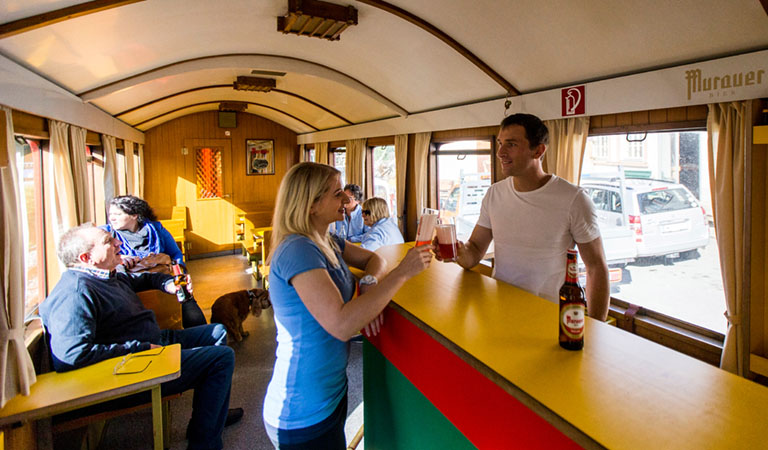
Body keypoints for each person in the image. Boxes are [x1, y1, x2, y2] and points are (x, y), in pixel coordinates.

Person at [262, 162, 432, 449]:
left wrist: (369, 281)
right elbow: (341, 325)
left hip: (329, 393)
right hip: (302, 408)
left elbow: (372, 259)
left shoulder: (326, 240)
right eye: (337, 193)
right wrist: (402, 272)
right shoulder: (298, 249)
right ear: (312, 204)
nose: (345, 200)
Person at [39, 224, 243, 450]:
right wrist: (141, 348)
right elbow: (72, 355)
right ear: (86, 257)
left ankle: (208, 420)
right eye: (108, 241)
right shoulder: (76, 292)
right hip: (133, 366)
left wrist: (169, 284)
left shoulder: (107, 276)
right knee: (221, 358)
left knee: (217, 332)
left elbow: (145, 280)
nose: (118, 243)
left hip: (154, 340)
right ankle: (204, 443)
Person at [434, 113, 610, 320]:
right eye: (500, 143)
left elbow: (596, 268)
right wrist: (457, 252)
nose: (500, 152)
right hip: (499, 310)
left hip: (549, 317)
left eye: (511, 144)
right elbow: (473, 252)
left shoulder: (574, 199)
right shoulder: (494, 194)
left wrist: (595, 329)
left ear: (538, 150)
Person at [101, 195, 206, 328]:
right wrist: (119, 259)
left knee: (186, 299)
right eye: (110, 214)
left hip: (161, 277)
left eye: (117, 214)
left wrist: (181, 272)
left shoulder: (155, 229)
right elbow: (98, 261)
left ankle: (201, 337)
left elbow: (175, 254)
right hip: (130, 284)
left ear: (134, 215)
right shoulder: (105, 234)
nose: (112, 218)